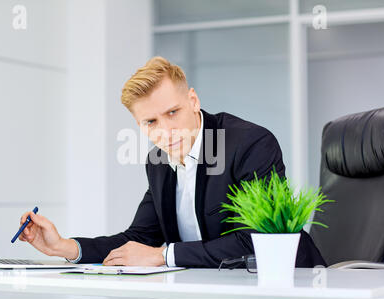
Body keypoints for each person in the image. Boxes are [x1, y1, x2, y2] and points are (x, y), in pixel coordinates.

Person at [19, 56, 326, 268]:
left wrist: (163, 256)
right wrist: (65, 247)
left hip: (291, 286)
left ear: (193, 100)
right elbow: (138, 238)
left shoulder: (250, 144)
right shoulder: (157, 161)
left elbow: (261, 242)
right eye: (150, 121)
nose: (166, 131)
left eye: (172, 112)